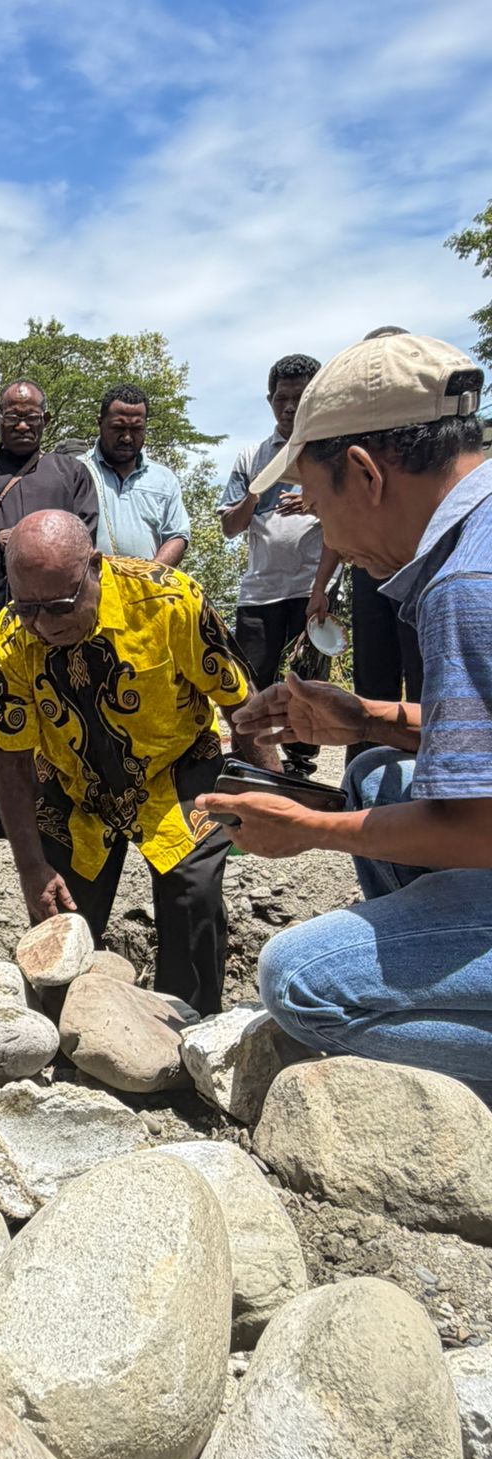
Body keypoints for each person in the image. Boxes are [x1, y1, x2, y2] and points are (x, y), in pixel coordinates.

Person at [198, 332, 491, 1093]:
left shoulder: (465, 583)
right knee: (376, 772)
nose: (325, 535)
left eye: (319, 507)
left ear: (364, 472)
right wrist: (363, 721)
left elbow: (478, 828)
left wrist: (307, 829)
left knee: (298, 981)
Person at [0, 511, 272, 1015]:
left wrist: (273, 793)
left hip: (176, 772)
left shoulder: (170, 601)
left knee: (192, 894)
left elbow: (240, 701)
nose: (43, 624)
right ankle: (62, 1032)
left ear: (94, 567)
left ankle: (190, 1026)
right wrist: (29, 866)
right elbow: (9, 761)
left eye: (59, 606)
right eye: (28, 607)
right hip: (75, 786)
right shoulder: (11, 636)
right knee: (60, 915)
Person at [0, 381, 100, 843]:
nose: (23, 424)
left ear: (46, 420)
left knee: (62, 700)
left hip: (58, 609)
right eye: (13, 417)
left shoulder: (71, 473)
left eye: (32, 417)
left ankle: (59, 809)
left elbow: (85, 535)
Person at [306, 327, 424, 764]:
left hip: (413, 569)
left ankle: (424, 767)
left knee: (425, 672)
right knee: (372, 675)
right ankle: (365, 768)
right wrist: (320, 587)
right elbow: (340, 528)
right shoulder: (344, 436)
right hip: (370, 574)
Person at [218, 355, 327, 778]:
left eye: (300, 397)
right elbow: (229, 527)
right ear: (269, 400)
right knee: (249, 681)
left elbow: (351, 514)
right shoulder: (252, 456)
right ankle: (254, 761)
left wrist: (313, 500)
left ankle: (300, 766)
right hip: (259, 591)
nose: (289, 407)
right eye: (282, 398)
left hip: (311, 588)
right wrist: (255, 491)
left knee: (306, 683)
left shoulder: (327, 452)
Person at [80, 384, 191, 563]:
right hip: (89, 579)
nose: (127, 438)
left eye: (136, 429)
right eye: (118, 428)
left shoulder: (164, 479)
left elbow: (176, 536)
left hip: (148, 580)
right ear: (100, 424)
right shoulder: (77, 471)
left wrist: (149, 574)